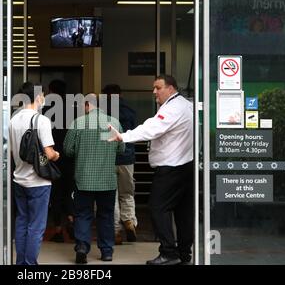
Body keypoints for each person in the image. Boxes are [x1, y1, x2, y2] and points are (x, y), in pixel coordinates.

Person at [109, 75, 194, 265]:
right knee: (183, 213)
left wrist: (123, 137)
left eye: (158, 87)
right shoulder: (187, 105)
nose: (154, 92)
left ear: (170, 88)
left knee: (157, 207)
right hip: (187, 165)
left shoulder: (173, 108)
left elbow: (152, 128)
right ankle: (184, 254)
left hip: (172, 168)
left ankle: (168, 253)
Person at [64, 94, 124, 264]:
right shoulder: (113, 123)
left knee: (83, 214)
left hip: (83, 179)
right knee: (105, 215)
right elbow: (121, 148)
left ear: (87, 105)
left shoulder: (78, 123)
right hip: (107, 180)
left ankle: (82, 248)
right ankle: (106, 252)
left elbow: (68, 150)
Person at [10, 82, 60, 265]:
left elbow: (12, 153)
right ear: (38, 97)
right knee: (36, 227)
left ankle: (21, 263)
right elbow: (48, 154)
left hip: (19, 180)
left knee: (22, 223)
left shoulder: (13, 120)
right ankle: (30, 265)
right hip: (38, 183)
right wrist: (56, 155)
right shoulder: (41, 120)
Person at [102, 84, 138, 244]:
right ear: (120, 94)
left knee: (112, 196)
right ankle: (129, 221)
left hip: (108, 159)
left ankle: (116, 231)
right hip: (127, 158)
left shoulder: (102, 113)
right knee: (127, 193)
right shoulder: (130, 110)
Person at [43, 80, 75, 243]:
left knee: (55, 194)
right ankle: (70, 219)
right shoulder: (73, 108)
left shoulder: (46, 109)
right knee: (69, 191)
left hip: (53, 156)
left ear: (50, 90)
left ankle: (57, 230)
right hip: (70, 157)